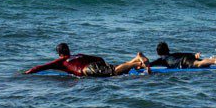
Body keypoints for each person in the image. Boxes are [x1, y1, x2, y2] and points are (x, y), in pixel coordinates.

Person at [23, 42, 151, 77]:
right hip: (94, 63)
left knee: (115, 72)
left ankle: (138, 62)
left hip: (87, 69)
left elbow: (41, 67)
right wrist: (102, 63)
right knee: (115, 69)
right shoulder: (78, 55)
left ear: (59, 54)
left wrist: (27, 72)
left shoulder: (62, 61)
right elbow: (99, 58)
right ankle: (136, 58)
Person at [150, 41, 216, 69]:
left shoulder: (162, 60)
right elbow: (184, 53)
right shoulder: (174, 54)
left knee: (199, 64)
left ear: (158, 53)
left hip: (183, 62)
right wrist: (194, 55)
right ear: (168, 50)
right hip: (187, 58)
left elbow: (150, 64)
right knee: (202, 61)